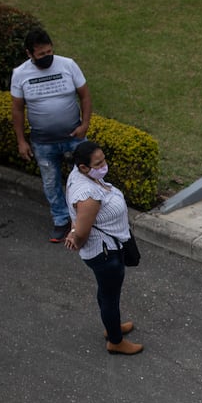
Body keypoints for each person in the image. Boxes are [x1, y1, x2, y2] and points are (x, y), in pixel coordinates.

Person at [10, 28, 91, 242]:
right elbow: (17, 109)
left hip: (74, 137)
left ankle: (86, 219)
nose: (47, 57)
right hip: (43, 143)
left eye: (49, 52)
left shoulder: (68, 65)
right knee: (50, 183)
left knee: (86, 178)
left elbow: (84, 96)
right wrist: (21, 141)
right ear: (29, 53)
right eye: (41, 54)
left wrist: (85, 125)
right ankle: (61, 220)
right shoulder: (20, 74)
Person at [64, 141, 142, 355]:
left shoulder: (80, 176)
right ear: (83, 168)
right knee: (110, 297)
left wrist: (74, 233)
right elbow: (82, 230)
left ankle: (112, 327)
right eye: (98, 163)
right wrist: (75, 237)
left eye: (103, 159)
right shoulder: (89, 196)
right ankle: (115, 341)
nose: (104, 165)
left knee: (106, 292)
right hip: (105, 253)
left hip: (104, 250)